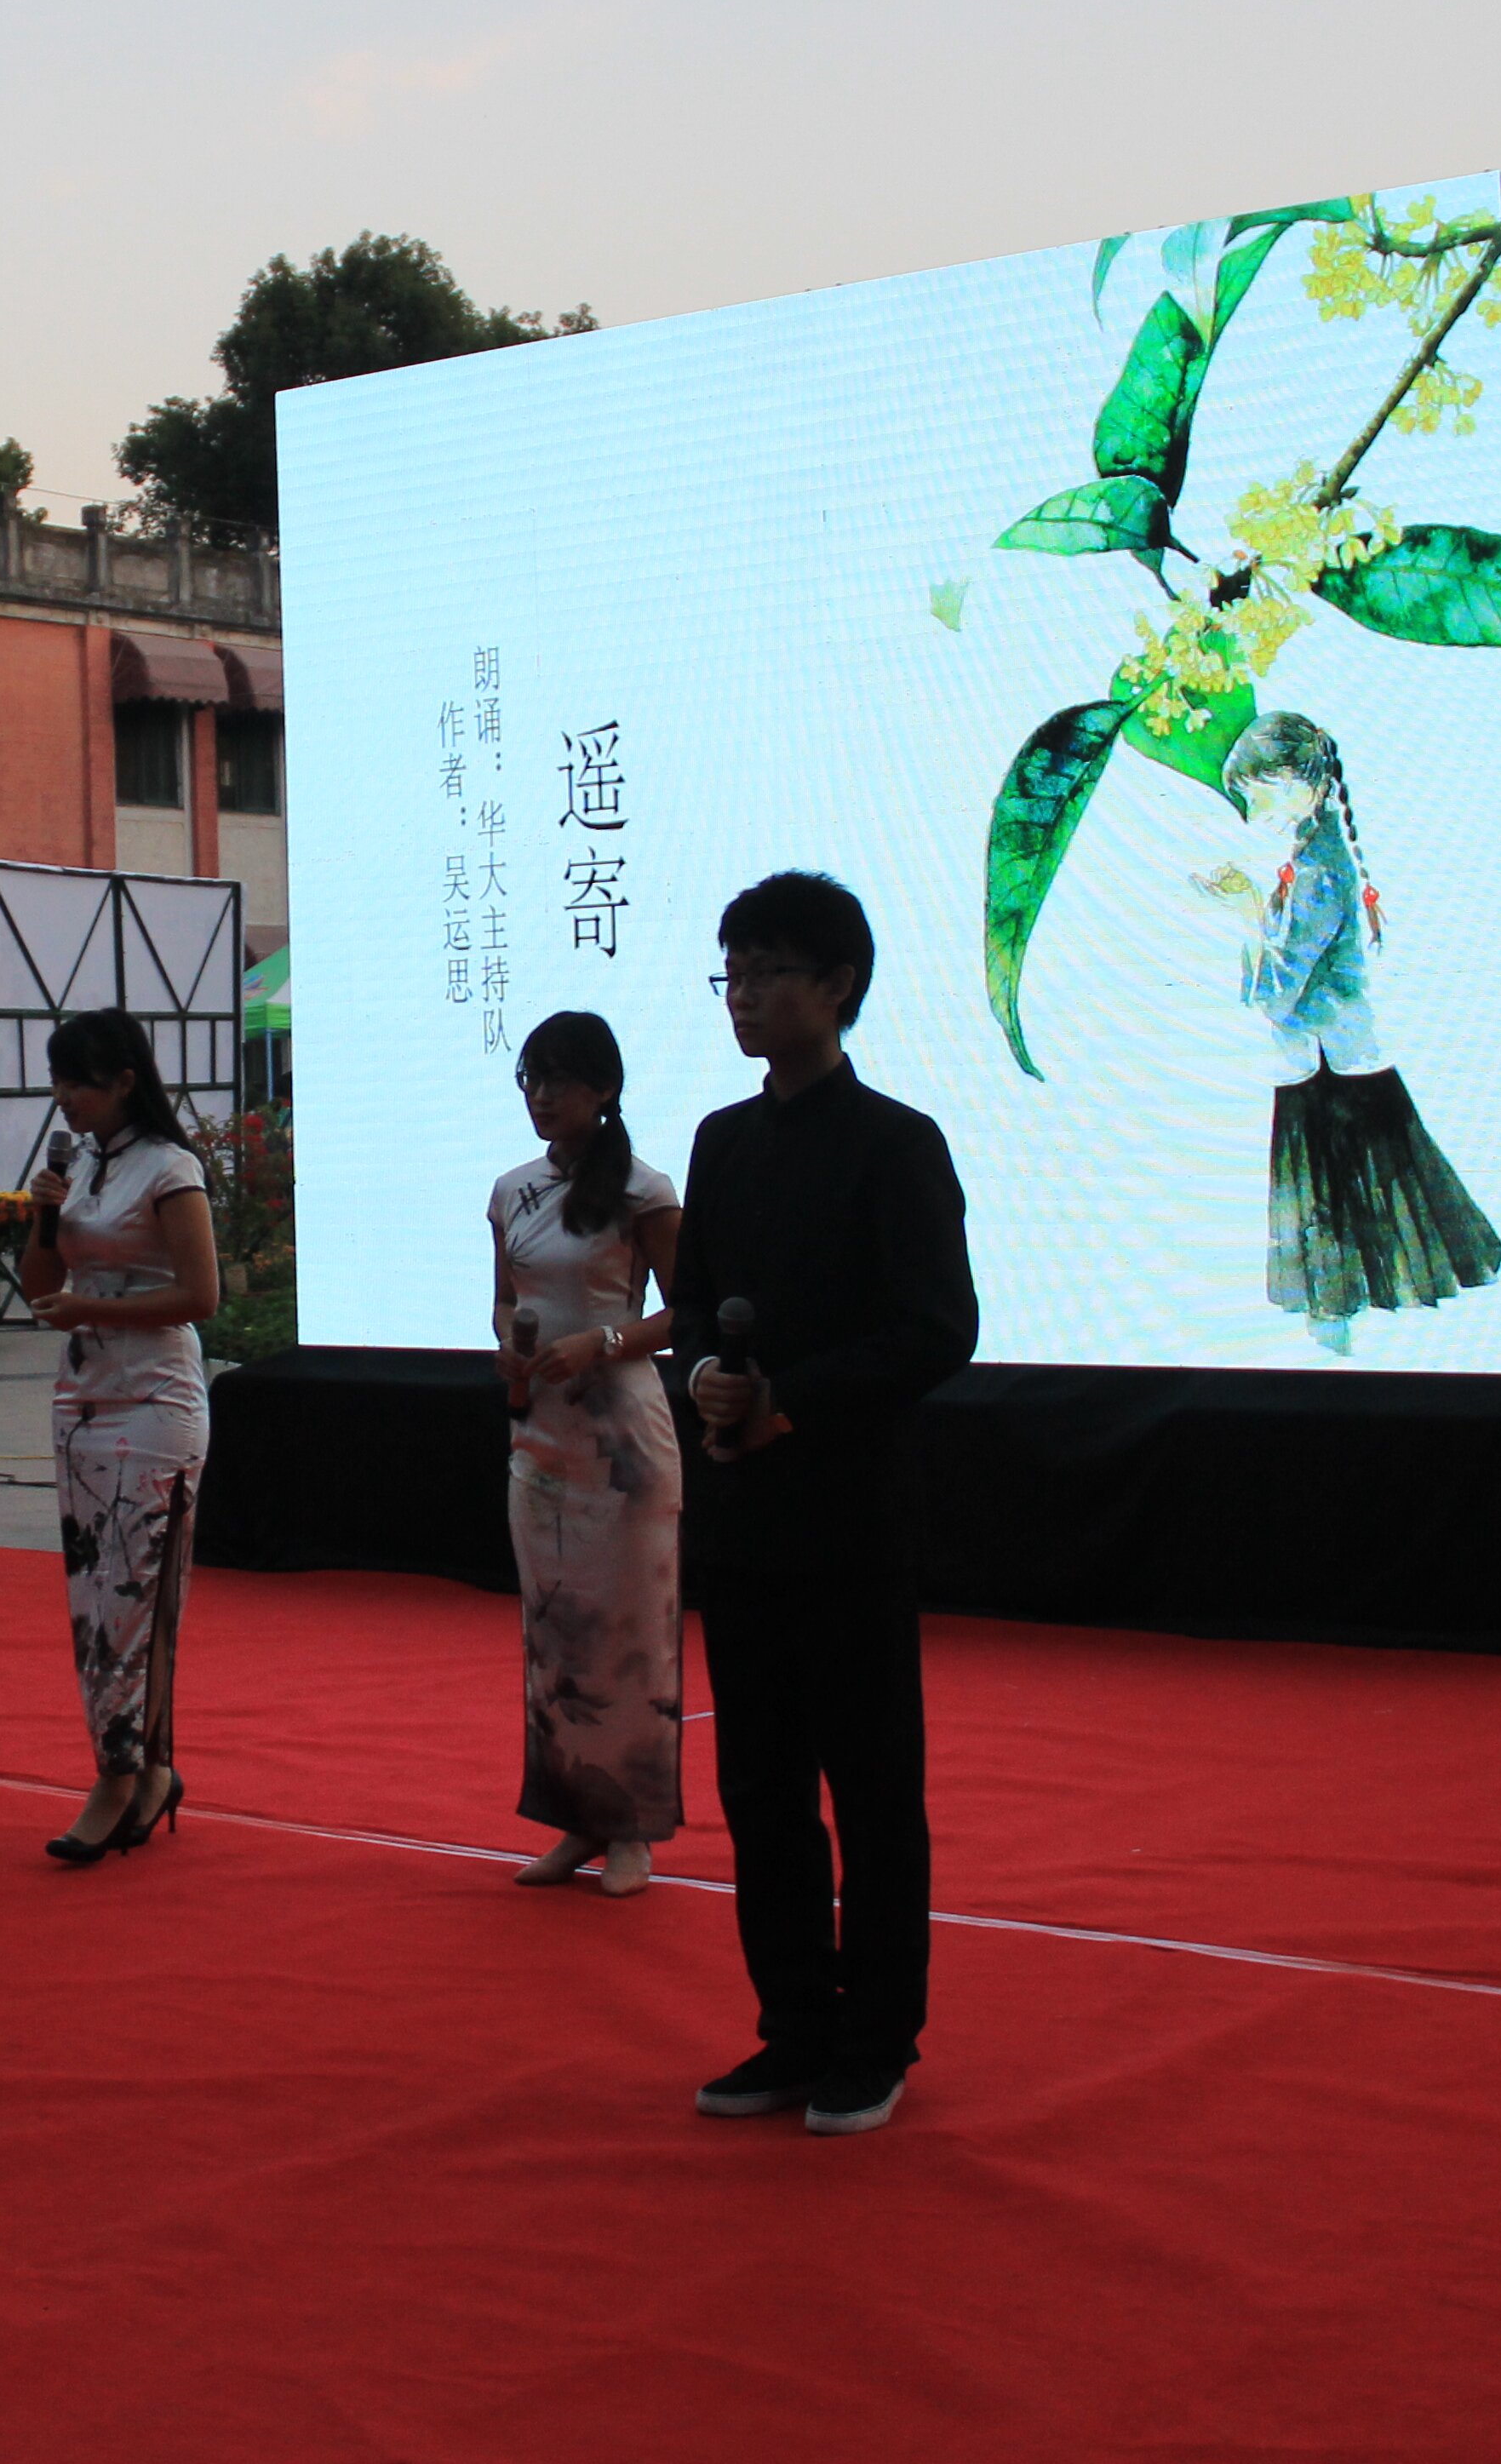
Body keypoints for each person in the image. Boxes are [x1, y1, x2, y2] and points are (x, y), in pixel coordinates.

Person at [669, 873, 977, 2141]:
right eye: (730, 971)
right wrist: (703, 1378)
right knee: (760, 1788)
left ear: (837, 986)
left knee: (870, 1785)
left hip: (849, 1518)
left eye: (767, 972)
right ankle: (792, 2026)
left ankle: (875, 2038)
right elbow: (693, 1308)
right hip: (742, 1522)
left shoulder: (897, 1144)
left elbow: (938, 1328)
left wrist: (794, 1402)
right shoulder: (722, 1143)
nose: (742, 995)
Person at [1209, 712, 1501, 1356]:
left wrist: (1246, 916)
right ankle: (1335, 1338)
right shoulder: (1316, 856)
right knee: (1366, 1205)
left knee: (1337, 1210)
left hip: (1326, 1068)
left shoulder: (1317, 868)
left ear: (1298, 783)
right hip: (1333, 1061)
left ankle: (1333, 1339)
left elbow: (1279, 994)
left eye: (1258, 785)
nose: (1250, 799)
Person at [14, 1009, 219, 1864]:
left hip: (155, 1402)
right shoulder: (81, 1168)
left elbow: (201, 1295)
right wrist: (42, 1217)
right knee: (91, 1599)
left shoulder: (171, 1169)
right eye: (58, 1081)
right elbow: (37, 1283)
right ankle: (150, 1770)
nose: (63, 1100)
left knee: (129, 1604)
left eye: (78, 1082)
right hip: (83, 1397)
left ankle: (117, 1775)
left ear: (125, 1080)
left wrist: (93, 1307)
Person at [491, 1010, 688, 1897]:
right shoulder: (511, 1191)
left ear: (603, 1090)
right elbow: (504, 1297)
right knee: (556, 1635)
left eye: (559, 1081)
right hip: (542, 1434)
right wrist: (511, 1342)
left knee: (632, 1635)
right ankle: (576, 1818)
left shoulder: (645, 1191)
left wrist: (603, 1344)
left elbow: (687, 1310)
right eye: (530, 1080)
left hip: (623, 1438)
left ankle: (635, 1827)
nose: (540, 1097)